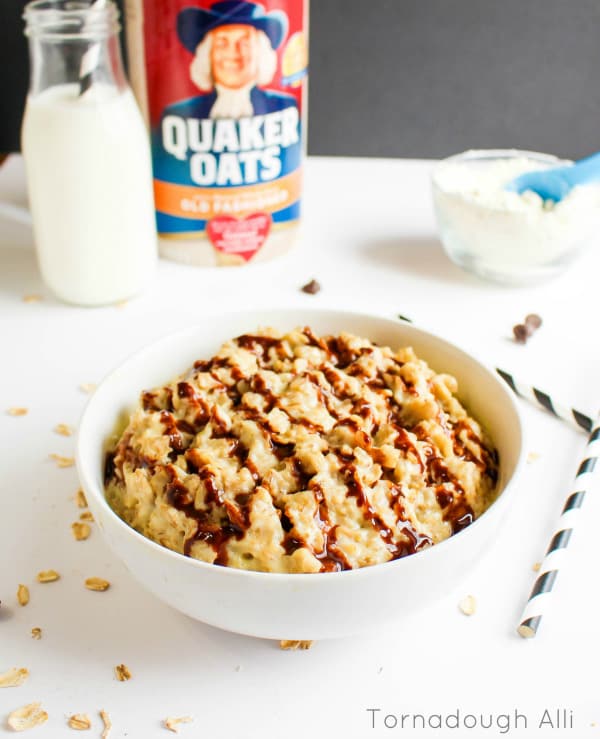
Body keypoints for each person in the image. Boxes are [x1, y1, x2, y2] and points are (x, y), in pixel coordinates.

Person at [168, 0, 296, 119]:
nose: (233, 53)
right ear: (207, 54)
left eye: (245, 43)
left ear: (260, 53)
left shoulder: (287, 106)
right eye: (222, 44)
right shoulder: (177, 113)